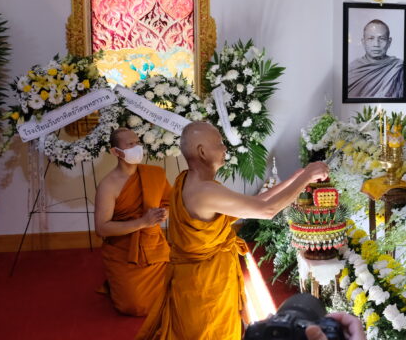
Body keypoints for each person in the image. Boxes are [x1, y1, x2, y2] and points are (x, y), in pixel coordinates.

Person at [136, 121, 329, 339]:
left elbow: (256, 201)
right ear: (202, 151)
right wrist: (307, 178)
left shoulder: (188, 180)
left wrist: (297, 176)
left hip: (199, 278)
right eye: (219, 143)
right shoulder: (205, 191)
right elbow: (267, 210)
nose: (225, 148)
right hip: (206, 286)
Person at [94, 127, 172, 316]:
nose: (136, 147)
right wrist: (143, 222)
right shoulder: (108, 185)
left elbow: (169, 201)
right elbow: (102, 228)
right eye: (130, 144)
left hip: (155, 247)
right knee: (135, 306)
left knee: (178, 295)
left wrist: (164, 213)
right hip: (124, 251)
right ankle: (116, 283)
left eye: (137, 143)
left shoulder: (155, 173)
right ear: (115, 152)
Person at [347, 19, 404, 99]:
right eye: (371, 38)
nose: (376, 44)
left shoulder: (398, 68)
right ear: (363, 42)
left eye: (382, 39)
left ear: (389, 42)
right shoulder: (351, 69)